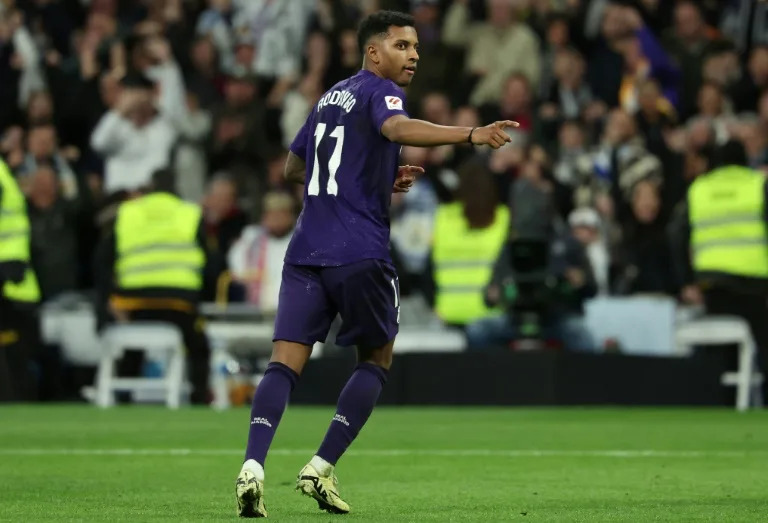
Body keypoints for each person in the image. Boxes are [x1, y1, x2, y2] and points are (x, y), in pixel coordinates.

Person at [235, 10, 519, 518]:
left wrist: (369, 178)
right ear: (374, 52)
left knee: (284, 363)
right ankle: (320, 467)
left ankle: (252, 467)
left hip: (304, 251)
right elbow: (397, 126)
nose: (413, 55)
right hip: (359, 252)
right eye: (403, 45)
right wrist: (471, 134)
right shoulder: (379, 90)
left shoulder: (327, 98)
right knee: (376, 360)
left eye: (415, 47)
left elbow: (293, 166)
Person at [94, 169, 212, 405]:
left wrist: (108, 298)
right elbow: (210, 260)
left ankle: (123, 397)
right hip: (179, 302)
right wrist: (199, 296)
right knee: (198, 347)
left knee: (133, 348)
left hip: (134, 302)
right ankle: (199, 397)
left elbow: (101, 260)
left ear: (150, 187)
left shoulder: (128, 212)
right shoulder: (189, 213)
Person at [0, 158, 41, 401]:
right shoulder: (4, 171)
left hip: (6, 275)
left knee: (11, 352)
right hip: (14, 272)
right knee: (13, 352)